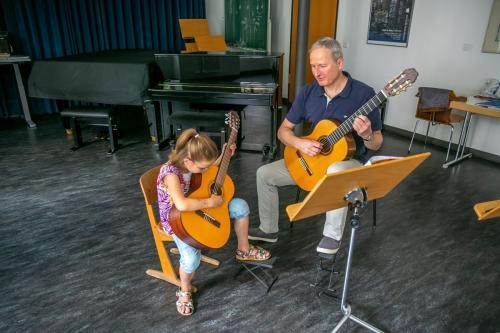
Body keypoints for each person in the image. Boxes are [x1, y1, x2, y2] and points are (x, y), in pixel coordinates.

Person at [249, 37, 383, 255]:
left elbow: (377, 143)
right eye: (313, 66)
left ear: (339, 63)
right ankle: (269, 229)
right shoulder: (309, 92)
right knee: (264, 174)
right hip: (311, 162)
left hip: (349, 162)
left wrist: (367, 134)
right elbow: (283, 131)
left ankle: (331, 236)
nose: (316, 72)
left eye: (322, 65)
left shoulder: (364, 95)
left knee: (335, 170)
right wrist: (299, 142)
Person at [157, 128, 271, 316]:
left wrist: (225, 157)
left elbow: (208, 170)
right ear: (187, 161)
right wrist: (210, 202)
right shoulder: (171, 173)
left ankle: (244, 249)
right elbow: (182, 204)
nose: (205, 169)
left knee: (240, 206)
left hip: (200, 208)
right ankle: (184, 288)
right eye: (202, 167)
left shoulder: (193, 163)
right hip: (179, 222)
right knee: (191, 260)